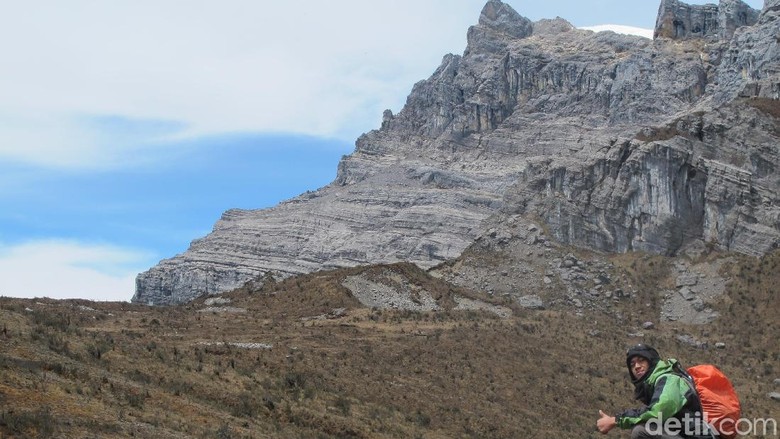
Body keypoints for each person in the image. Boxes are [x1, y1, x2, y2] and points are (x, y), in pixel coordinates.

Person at [596, 344, 716, 438]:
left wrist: (615, 420)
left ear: (651, 361)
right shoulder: (656, 385)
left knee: (642, 431)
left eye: (641, 360)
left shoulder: (669, 379)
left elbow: (658, 411)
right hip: (685, 435)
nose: (636, 366)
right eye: (632, 364)